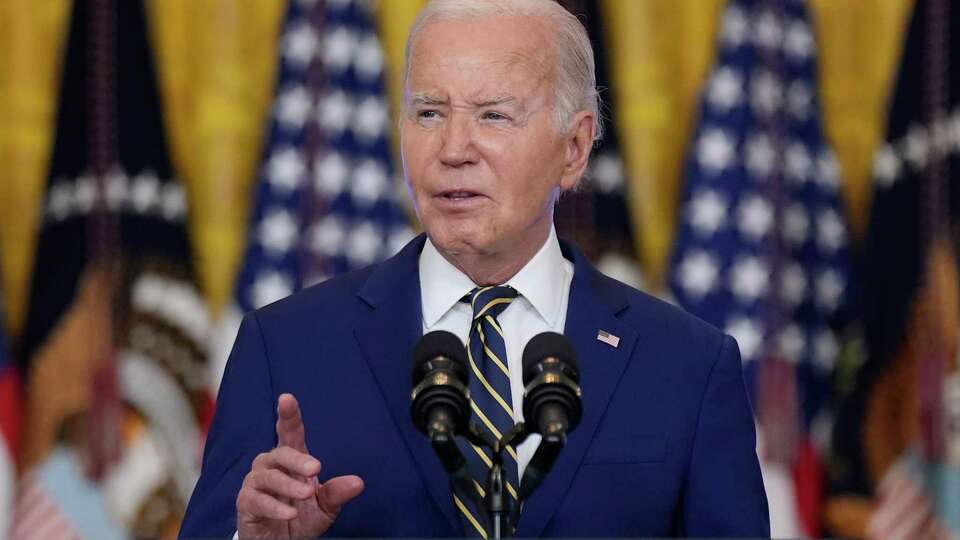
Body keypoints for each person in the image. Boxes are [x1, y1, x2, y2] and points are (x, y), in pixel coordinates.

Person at [179, 0, 770, 537]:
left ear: (575, 147)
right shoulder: (283, 347)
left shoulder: (688, 367)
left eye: (493, 116)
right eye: (430, 113)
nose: (454, 148)